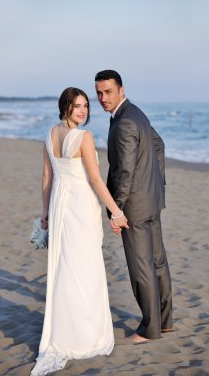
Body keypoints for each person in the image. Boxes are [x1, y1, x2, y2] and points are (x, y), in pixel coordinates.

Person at [30, 87, 128, 376]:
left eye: (86, 105)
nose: (83, 111)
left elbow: (47, 179)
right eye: (77, 106)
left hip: (61, 206)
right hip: (80, 208)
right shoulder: (84, 138)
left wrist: (46, 212)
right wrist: (117, 211)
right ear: (65, 107)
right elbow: (96, 180)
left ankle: (66, 331)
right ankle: (84, 336)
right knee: (84, 269)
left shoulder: (49, 135)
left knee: (66, 269)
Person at [95, 70, 173, 343]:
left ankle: (150, 330)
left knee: (142, 269)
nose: (103, 98)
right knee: (157, 262)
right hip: (151, 200)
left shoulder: (125, 122)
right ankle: (164, 322)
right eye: (99, 93)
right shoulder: (137, 113)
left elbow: (124, 172)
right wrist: (156, 181)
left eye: (108, 92)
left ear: (121, 90)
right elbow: (159, 145)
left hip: (135, 208)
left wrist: (116, 211)